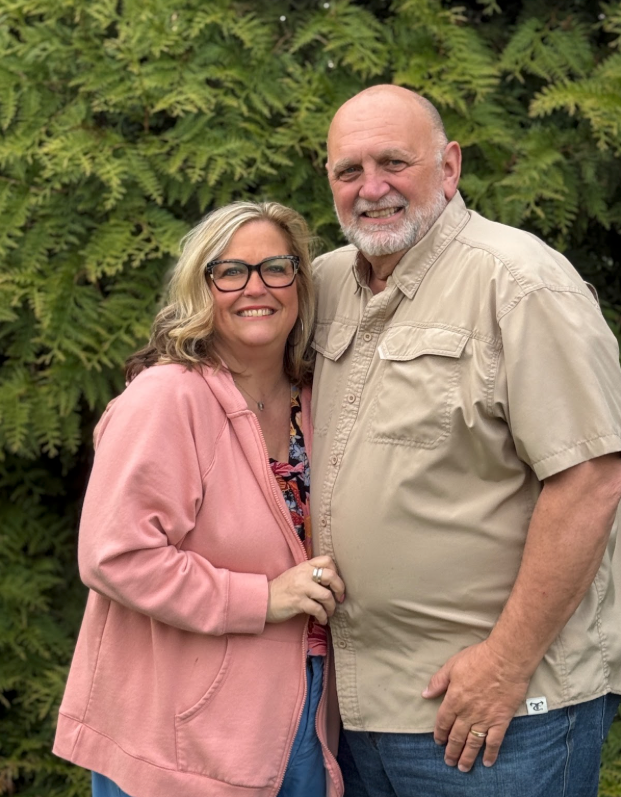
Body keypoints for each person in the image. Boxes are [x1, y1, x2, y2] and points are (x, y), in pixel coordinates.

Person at [310, 84, 621, 797]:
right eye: (347, 170)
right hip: (355, 707)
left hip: (495, 708)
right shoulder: (324, 284)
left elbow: (591, 479)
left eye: (394, 162)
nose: (371, 188)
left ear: (448, 167)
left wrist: (505, 663)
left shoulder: (521, 283)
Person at [53, 201, 346, 797]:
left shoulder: (320, 399)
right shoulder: (167, 398)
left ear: (299, 283)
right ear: (202, 288)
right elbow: (115, 557)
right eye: (230, 272)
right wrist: (262, 598)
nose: (255, 287)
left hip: (303, 711)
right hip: (175, 740)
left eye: (275, 268)